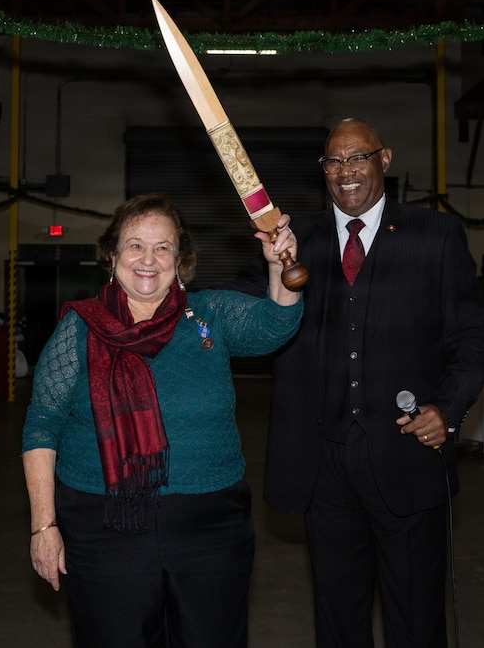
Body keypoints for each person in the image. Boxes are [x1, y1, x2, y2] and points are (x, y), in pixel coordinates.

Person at [228, 118, 484, 647]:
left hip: (407, 456)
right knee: (338, 618)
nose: (345, 171)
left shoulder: (435, 235)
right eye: (333, 161)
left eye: (357, 158)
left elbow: (471, 337)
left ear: (384, 159)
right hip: (323, 465)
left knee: (416, 620)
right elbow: (237, 313)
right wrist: (165, 295)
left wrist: (447, 408)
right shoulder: (292, 244)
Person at [20, 193, 302, 648]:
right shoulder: (80, 327)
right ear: (112, 255)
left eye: (163, 247)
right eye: (135, 245)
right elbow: (42, 423)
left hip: (211, 527)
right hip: (103, 525)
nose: (148, 259)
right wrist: (43, 527)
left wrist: (277, 267)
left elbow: (274, 325)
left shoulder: (209, 314)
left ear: (180, 259)